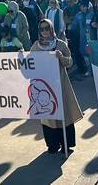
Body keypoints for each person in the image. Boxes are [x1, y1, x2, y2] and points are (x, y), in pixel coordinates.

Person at [31, 19, 83, 154]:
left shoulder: (60, 44)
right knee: (48, 115)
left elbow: (70, 62)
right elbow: (30, 64)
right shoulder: (36, 46)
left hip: (60, 84)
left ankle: (66, 144)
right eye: (41, 29)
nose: (44, 32)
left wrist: (61, 57)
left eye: (47, 28)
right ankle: (52, 144)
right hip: (44, 87)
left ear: (51, 29)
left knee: (63, 114)